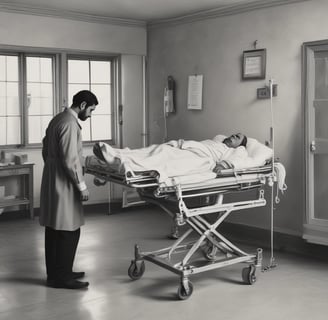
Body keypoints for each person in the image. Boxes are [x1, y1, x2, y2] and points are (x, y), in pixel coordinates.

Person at [39, 90, 98, 289]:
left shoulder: (58, 119)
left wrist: (52, 168)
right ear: (82, 105)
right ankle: (62, 277)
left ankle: (56, 272)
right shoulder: (70, 124)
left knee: (54, 228)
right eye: (91, 109)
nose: (90, 114)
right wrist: (82, 186)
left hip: (52, 176)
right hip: (64, 181)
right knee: (68, 229)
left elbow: (45, 148)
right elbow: (71, 160)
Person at [92, 132, 249, 182]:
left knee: (163, 157)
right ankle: (119, 154)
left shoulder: (236, 151)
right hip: (185, 148)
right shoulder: (216, 140)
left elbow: (235, 161)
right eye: (234, 133)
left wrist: (222, 166)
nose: (234, 135)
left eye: (238, 137)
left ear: (240, 145)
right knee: (156, 150)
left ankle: (122, 163)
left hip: (201, 159)